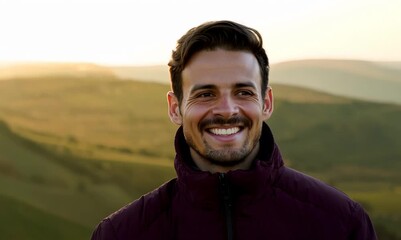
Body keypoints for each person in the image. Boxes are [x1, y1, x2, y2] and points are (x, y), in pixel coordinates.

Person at [91, 20, 377, 240]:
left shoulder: (340, 223)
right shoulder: (122, 234)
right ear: (175, 107)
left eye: (243, 92)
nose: (226, 110)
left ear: (266, 103)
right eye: (205, 94)